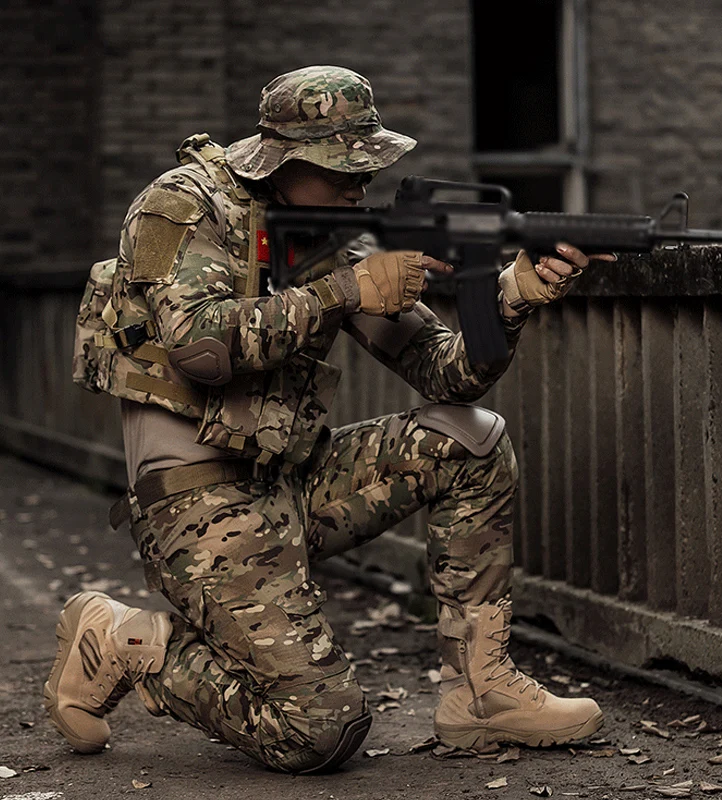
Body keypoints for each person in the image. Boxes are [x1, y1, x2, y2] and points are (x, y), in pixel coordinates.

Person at [44, 65, 616, 774]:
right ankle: (129, 642)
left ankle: (480, 693)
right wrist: (345, 292)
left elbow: (446, 372)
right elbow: (200, 347)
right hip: (196, 503)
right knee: (319, 734)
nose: (359, 186)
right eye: (343, 168)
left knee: (469, 441)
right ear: (283, 156)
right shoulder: (182, 204)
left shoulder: (329, 238)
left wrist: (512, 297)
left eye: (365, 168)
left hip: (292, 479)